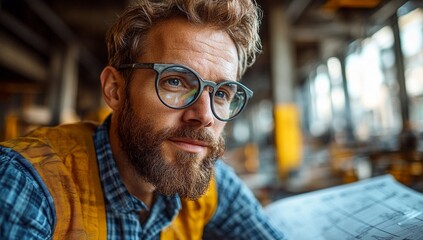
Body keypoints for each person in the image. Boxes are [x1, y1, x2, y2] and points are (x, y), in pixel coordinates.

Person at [0, 0, 286, 239]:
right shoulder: (27, 182)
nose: (204, 116)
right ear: (115, 90)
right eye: (175, 81)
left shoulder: (211, 181)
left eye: (222, 93)